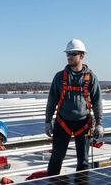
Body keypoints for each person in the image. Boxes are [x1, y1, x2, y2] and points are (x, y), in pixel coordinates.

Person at [44, 39, 103, 176]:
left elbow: (97, 102)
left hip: (83, 124)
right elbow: (52, 101)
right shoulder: (60, 77)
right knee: (56, 158)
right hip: (62, 122)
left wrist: (99, 124)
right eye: (68, 54)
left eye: (73, 54)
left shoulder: (90, 78)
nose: (69, 57)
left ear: (82, 56)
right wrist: (47, 122)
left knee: (83, 162)